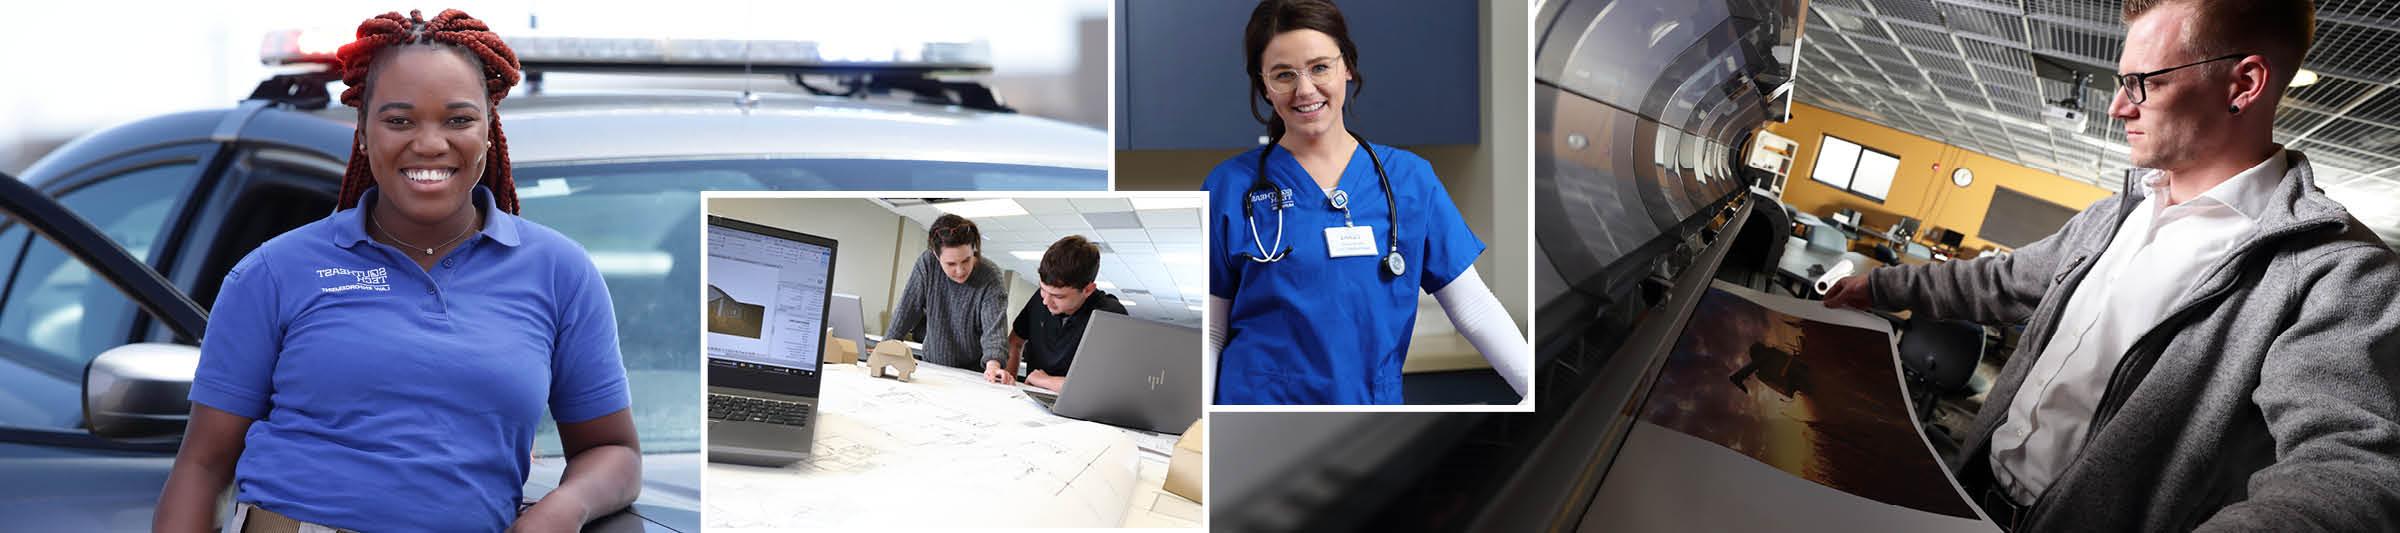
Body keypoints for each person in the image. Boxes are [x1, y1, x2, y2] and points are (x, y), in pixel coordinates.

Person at [1822, 1, 2400, 529]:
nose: (2118, 105)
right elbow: (1998, 282)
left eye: (2142, 83)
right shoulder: (2115, 215)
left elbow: (2349, 469)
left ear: (2243, 83)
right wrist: (1875, 286)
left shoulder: (2338, 270)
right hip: (1972, 493)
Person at [154, 10, 641, 533]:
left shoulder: (560, 272)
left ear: (489, 130)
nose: (430, 144)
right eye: (399, 120)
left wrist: (562, 510)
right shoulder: (273, 272)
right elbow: (203, 466)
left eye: (458, 119)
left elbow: (613, 450)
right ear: (362, 131)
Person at [1202, 0, 1531, 405]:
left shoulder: (1410, 180)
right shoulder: (1230, 187)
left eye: (1320, 67)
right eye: (1283, 75)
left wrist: (1535, 392)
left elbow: (1473, 307)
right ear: (1264, 87)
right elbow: (1212, 333)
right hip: (1255, 412)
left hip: (1365, 411)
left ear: (1347, 67)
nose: (1305, 89)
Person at [885, 214, 1011, 376]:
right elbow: (906, 310)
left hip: (973, 374)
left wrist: (993, 366)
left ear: (974, 249)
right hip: (932, 364)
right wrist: (886, 348)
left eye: (966, 260)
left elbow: (994, 330)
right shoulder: (927, 263)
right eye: (951, 264)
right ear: (936, 256)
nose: (960, 271)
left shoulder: (990, 276)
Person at [996, 235, 1127, 391]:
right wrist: (1009, 386)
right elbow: (1015, 342)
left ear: (1087, 290)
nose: (1046, 301)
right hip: (1031, 396)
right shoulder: (1041, 298)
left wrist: (1043, 380)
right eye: (1043, 289)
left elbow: (1102, 387)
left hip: (1076, 408)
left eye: (1058, 296)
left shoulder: (1110, 315)